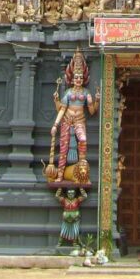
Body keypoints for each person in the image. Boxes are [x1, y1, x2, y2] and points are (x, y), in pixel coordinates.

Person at [51, 49, 99, 181]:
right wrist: (55, 124)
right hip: (67, 121)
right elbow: (62, 109)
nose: (78, 79)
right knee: (63, 148)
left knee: (82, 141)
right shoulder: (68, 92)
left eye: (81, 77)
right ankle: (60, 175)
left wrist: (97, 101)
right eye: (76, 77)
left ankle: (82, 175)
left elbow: (92, 111)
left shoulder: (86, 93)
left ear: (84, 79)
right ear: (72, 79)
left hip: (79, 121)